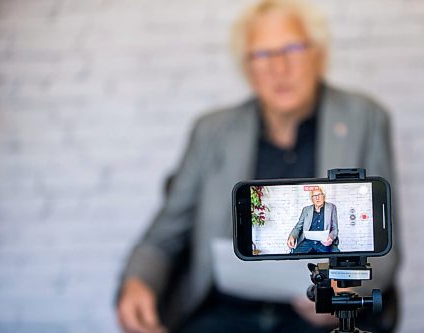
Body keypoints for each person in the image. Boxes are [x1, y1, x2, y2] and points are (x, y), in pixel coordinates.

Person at [116, 1, 400, 333]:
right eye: (262, 55)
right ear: (247, 68)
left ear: (319, 55)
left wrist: (344, 292)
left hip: (316, 316)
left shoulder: (364, 119)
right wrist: (137, 282)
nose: (279, 68)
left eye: (292, 49)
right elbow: (163, 236)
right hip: (222, 313)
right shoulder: (212, 132)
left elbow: (385, 245)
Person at [287, 188, 339, 253]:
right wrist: (292, 237)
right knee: (294, 257)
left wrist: (330, 237)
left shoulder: (331, 207)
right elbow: (298, 227)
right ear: (312, 199)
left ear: (324, 196)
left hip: (323, 242)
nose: (317, 198)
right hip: (307, 242)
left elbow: (335, 228)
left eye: (319, 195)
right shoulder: (306, 210)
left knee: (335, 256)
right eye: (314, 196)